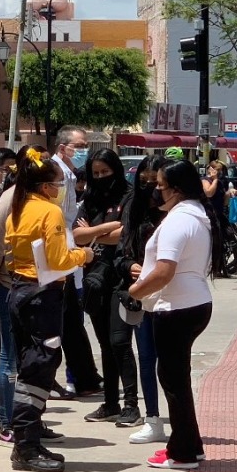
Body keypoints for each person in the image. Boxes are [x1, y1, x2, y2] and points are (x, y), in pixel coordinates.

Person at [3, 148, 94, 472]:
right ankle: (26, 448)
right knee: (40, 367)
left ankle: (27, 440)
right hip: (42, 296)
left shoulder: (20, 206)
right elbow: (58, 260)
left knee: (32, 365)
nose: (61, 188)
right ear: (45, 187)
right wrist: (83, 256)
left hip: (20, 291)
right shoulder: (49, 212)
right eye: (57, 183)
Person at [127, 159, 218, 470]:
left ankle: (183, 453)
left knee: (173, 380)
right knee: (176, 379)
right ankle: (189, 444)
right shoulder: (195, 215)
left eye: (161, 186)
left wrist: (134, 293)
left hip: (177, 307)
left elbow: (165, 271)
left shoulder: (180, 220)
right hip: (192, 304)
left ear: (176, 190)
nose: (156, 190)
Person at [73, 148, 141, 427]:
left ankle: (132, 406)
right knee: (105, 344)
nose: (101, 178)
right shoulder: (90, 200)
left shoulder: (130, 196)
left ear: (116, 169)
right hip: (95, 279)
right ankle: (111, 403)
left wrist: (94, 231)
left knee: (120, 342)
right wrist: (105, 229)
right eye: (96, 173)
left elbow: (125, 234)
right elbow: (77, 236)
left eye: (105, 172)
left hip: (122, 279)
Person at [0, 147, 40, 441]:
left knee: (33, 358)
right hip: (11, 286)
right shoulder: (10, 199)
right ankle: (8, 422)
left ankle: (29, 419)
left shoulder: (38, 198)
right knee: (10, 357)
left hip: (36, 287)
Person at [51, 125, 102, 398]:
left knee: (71, 322)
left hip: (68, 259)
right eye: (80, 146)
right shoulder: (56, 176)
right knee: (63, 323)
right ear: (63, 148)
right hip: (59, 261)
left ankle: (85, 377)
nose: (84, 151)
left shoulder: (68, 176)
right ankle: (69, 378)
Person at [123, 154, 169, 444]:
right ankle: (152, 418)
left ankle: (180, 418)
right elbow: (123, 250)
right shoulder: (134, 207)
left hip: (173, 295)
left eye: (157, 182)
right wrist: (129, 266)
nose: (151, 187)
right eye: (145, 181)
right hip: (142, 292)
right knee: (147, 357)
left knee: (174, 361)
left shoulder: (179, 212)